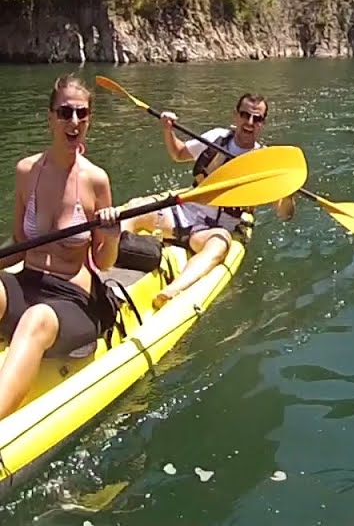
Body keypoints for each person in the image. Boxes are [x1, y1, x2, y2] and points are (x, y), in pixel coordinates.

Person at [0, 75, 121, 419]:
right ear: (50, 117)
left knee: (36, 318)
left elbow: (104, 261)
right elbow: (21, 245)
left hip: (72, 300)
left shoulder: (96, 180)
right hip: (28, 281)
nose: (74, 122)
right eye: (65, 112)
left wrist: (111, 236)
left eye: (82, 114)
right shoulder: (27, 170)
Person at [120, 93, 295, 310]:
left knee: (219, 244)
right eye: (245, 115)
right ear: (236, 116)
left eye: (256, 119)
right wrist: (168, 130)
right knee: (134, 209)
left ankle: (172, 291)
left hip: (213, 230)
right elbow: (179, 153)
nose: (249, 123)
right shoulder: (217, 137)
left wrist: (288, 189)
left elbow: (284, 214)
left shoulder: (263, 161)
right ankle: (105, 261)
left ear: (262, 124)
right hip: (184, 213)